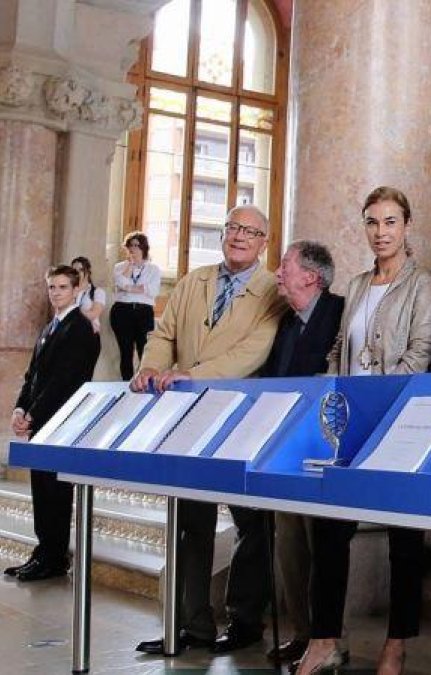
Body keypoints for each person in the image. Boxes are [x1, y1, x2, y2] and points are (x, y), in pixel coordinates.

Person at [294, 187, 431, 675]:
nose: (381, 232)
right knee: (330, 534)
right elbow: (338, 349)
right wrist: (328, 398)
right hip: (348, 430)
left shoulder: (423, 283)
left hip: (397, 424)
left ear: (407, 226)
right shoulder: (355, 285)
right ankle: (324, 639)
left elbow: (420, 354)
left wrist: (373, 398)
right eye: (373, 222)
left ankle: (396, 645)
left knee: (404, 540)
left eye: (391, 222)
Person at [132, 204, 285, 655]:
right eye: (233, 227)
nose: (239, 236)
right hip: (188, 418)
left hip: (241, 415)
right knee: (190, 522)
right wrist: (151, 367)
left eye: (250, 231)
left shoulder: (270, 290)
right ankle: (189, 623)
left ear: (264, 242)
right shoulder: (193, 280)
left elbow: (253, 352)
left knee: (250, 524)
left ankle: (243, 619)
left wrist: (195, 375)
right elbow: (164, 333)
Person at [258, 240, 346, 665]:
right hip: (286, 449)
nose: (278, 273)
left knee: (323, 544)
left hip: (326, 449)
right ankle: (302, 631)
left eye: (285, 265)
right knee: (289, 542)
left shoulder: (340, 312)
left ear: (312, 276)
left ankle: (325, 637)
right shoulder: (288, 324)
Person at [6, 265, 101, 582]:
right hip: (41, 420)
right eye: (52, 287)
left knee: (56, 491)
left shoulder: (80, 328)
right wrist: (20, 408)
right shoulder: (50, 328)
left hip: (61, 420)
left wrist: (34, 412)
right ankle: (43, 551)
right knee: (41, 487)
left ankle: (54, 557)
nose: (56, 293)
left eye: (62, 287)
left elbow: (66, 380)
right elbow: (32, 376)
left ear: (76, 290)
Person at [111, 232, 161, 379]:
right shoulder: (120, 267)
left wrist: (128, 288)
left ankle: (143, 382)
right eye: (130, 245)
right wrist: (130, 267)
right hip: (122, 310)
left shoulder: (153, 269)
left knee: (144, 350)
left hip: (143, 312)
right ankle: (126, 384)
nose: (132, 249)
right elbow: (119, 283)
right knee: (125, 352)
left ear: (144, 248)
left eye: (136, 245)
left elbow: (153, 291)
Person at [71, 256, 107, 334]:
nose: (77, 273)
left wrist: (72, 311)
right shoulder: (69, 291)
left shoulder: (98, 292)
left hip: (89, 333)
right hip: (70, 332)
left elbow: (93, 314)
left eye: (80, 270)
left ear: (88, 272)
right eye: (74, 270)